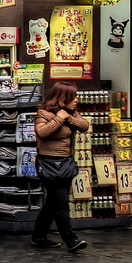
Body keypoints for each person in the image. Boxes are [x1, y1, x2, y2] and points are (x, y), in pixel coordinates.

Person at [31, 79, 91, 252]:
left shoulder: (72, 113)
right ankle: (71, 240)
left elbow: (85, 126)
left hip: (66, 163)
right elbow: (41, 132)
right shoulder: (43, 113)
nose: (77, 100)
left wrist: (69, 118)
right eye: (73, 97)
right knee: (61, 203)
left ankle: (39, 236)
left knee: (52, 203)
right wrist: (59, 118)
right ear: (62, 98)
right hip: (50, 164)